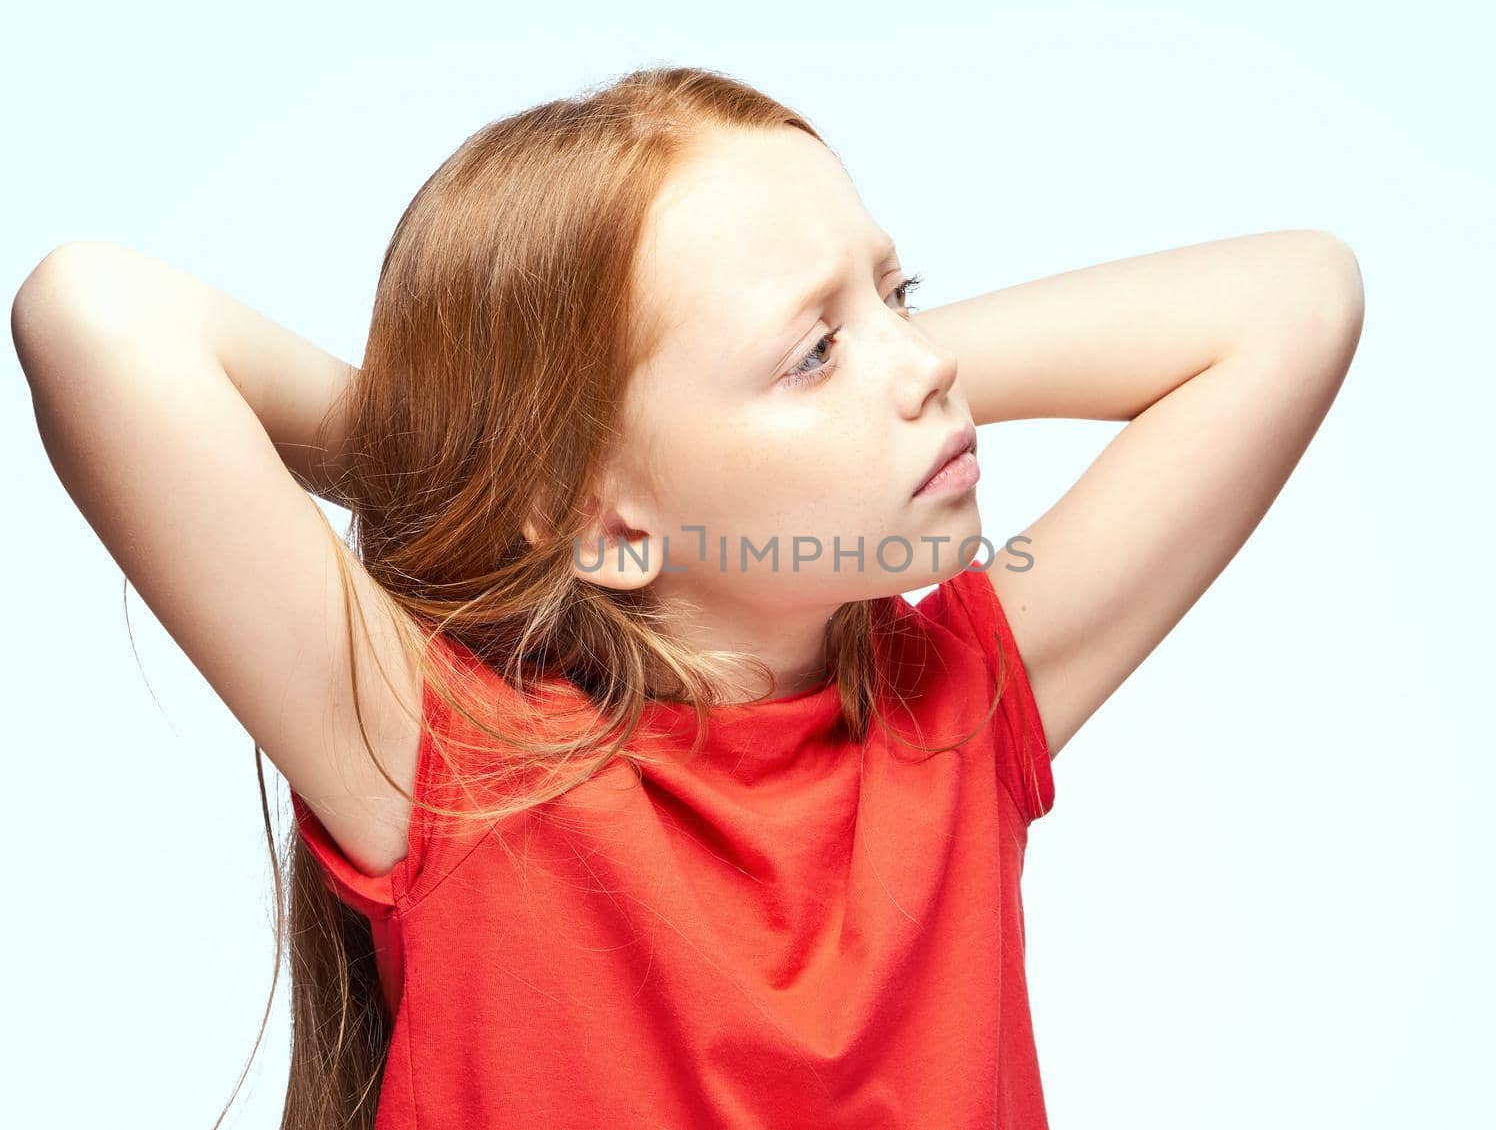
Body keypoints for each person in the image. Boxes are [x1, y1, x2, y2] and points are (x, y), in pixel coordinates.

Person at [13, 65, 1365, 1129]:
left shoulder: (954, 705)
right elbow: (94, 320)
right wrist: (494, 474)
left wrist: (864, 362)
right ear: (607, 517)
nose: (922, 367)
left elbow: (1297, 299)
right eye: (816, 350)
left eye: (902, 295)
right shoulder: (456, 776)